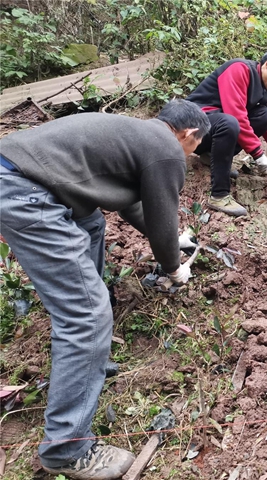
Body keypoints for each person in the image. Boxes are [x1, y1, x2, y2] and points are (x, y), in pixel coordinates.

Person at [0, 99, 209, 479]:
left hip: (18, 174)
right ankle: (66, 449)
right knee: (86, 315)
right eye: (195, 148)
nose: (192, 155)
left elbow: (133, 207)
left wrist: (174, 239)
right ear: (189, 134)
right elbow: (162, 221)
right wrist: (174, 268)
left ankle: (89, 359)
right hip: (23, 190)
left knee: (92, 224)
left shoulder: (136, 133)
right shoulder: (166, 149)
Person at [186, 48, 267, 217]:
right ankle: (219, 195)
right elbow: (236, 114)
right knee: (230, 123)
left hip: (216, 128)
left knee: (265, 118)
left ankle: (210, 157)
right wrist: (258, 154)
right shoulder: (239, 70)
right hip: (194, 127)